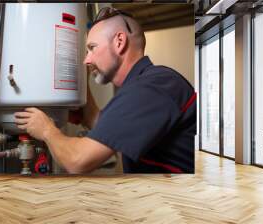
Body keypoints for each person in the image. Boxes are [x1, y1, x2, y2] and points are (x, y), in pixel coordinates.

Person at [14, 7, 196, 174]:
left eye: (92, 48)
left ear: (119, 42)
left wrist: (47, 130)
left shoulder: (152, 87)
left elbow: (77, 160)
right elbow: (109, 128)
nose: (86, 60)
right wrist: (83, 93)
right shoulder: (146, 85)